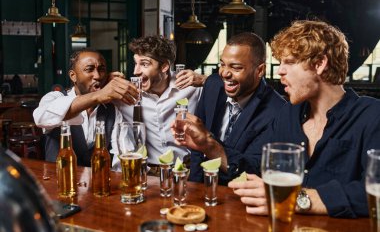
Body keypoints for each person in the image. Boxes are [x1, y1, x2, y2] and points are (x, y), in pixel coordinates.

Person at [227, 20, 380, 218]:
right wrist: (209, 146)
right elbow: (257, 166)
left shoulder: (372, 115)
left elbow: (375, 189)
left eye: (289, 62)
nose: (280, 70)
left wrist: (298, 199)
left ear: (319, 64)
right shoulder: (288, 113)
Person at [172, 32, 286, 185]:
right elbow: (198, 150)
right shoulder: (212, 84)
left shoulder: (278, 111)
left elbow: (253, 170)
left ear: (260, 71)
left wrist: (208, 143)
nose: (224, 73)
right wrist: (195, 187)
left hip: (240, 195)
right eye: (222, 64)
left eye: (236, 67)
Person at [111, 35, 204, 171]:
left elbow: (231, 93)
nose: (135, 71)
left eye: (144, 64)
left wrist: (205, 79)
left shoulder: (192, 88)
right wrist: (105, 81)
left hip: (188, 171)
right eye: (136, 63)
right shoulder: (126, 95)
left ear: (165, 66)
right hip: (147, 174)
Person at [33, 48, 138, 166]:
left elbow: (123, 154)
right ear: (73, 76)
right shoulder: (53, 98)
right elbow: (41, 119)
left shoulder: (112, 110)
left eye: (101, 69)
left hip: (97, 181)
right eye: (89, 69)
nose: (97, 76)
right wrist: (98, 95)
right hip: (58, 179)